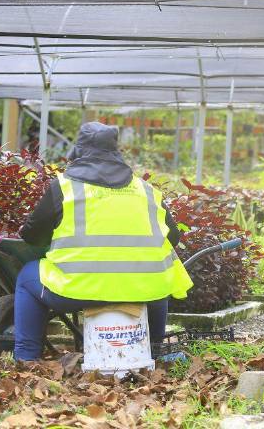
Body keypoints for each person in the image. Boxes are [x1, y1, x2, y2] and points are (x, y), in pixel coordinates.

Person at [13, 122, 193, 362]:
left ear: (78, 151)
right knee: (158, 280)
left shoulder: (65, 188)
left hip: (76, 290)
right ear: (116, 152)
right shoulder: (146, 190)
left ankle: (26, 358)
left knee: (26, 277)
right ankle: (154, 350)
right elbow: (172, 237)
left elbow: (33, 237)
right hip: (142, 291)